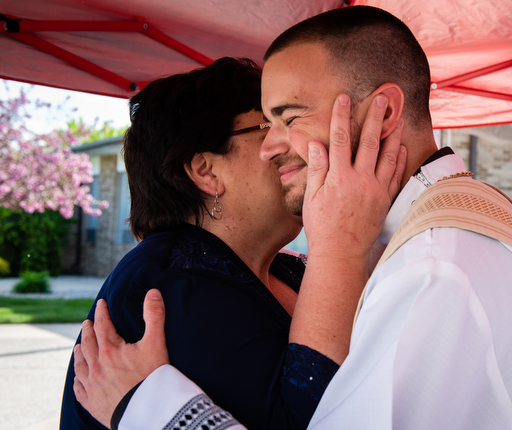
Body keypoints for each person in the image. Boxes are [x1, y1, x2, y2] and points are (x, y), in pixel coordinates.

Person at [74, 5, 512, 430]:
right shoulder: (442, 236)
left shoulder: (430, 269)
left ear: (382, 111)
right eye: (263, 124)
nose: (271, 147)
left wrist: (147, 409)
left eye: (286, 118)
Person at [60, 55, 406, 430]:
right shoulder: (172, 286)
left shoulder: (281, 266)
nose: (284, 144)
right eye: (268, 125)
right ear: (206, 171)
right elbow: (311, 421)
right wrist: (340, 245)